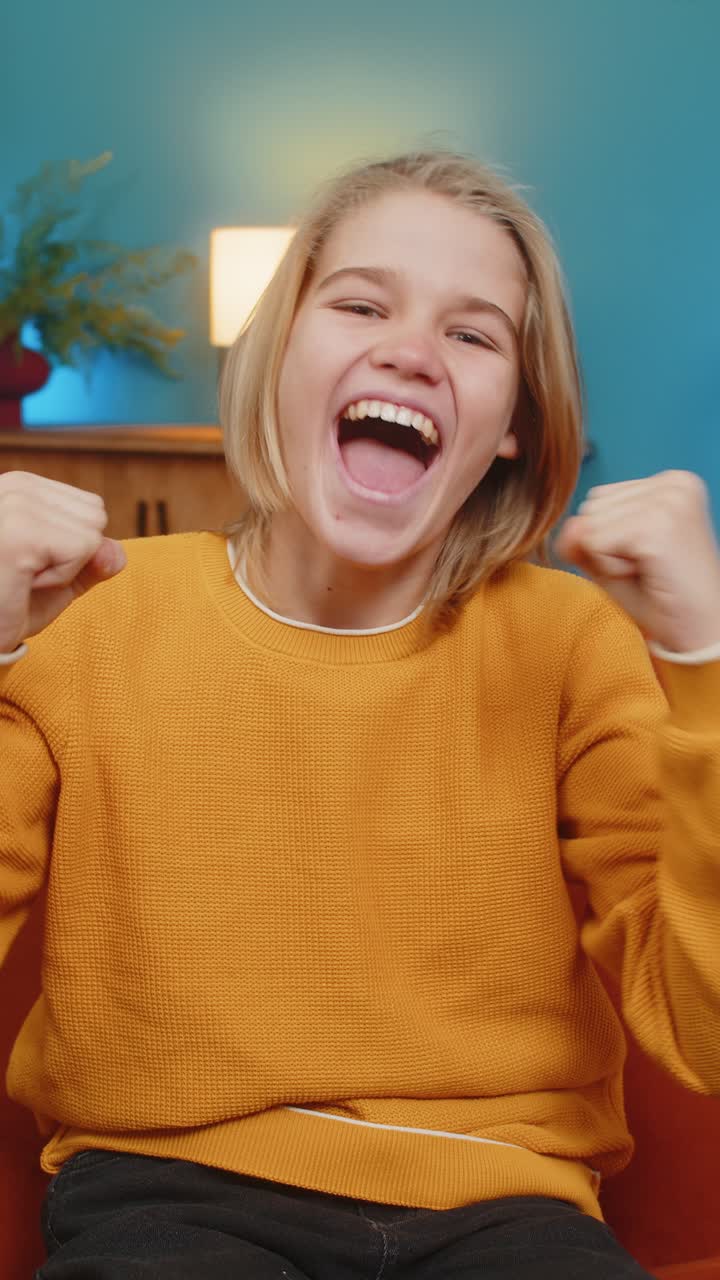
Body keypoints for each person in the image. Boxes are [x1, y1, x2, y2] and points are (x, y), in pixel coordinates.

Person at [1, 151, 719, 1280]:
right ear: (279, 347)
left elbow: (704, 1025)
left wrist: (707, 659)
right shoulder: (94, 619)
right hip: (167, 1197)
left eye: (474, 335)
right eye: (361, 304)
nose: (410, 350)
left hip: (508, 1209)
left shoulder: (575, 645)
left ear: (515, 428)